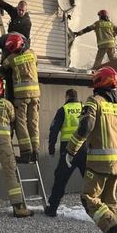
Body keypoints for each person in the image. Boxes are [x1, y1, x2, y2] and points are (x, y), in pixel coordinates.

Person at [66, 66, 117, 233]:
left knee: (89, 198)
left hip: (98, 163)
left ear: (98, 82)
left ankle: (115, 232)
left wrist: (71, 150)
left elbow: (85, 127)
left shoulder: (94, 102)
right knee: (109, 201)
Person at [0, 76, 33, 218]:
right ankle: (18, 207)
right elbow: (13, 119)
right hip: (4, 144)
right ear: (1, 91)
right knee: (10, 173)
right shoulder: (7, 104)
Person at [44, 89, 88, 217]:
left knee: (60, 179)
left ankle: (52, 209)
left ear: (67, 96)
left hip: (68, 151)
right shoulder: (83, 108)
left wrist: (51, 149)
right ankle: (97, 209)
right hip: (84, 149)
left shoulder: (63, 110)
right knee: (89, 180)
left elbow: (54, 130)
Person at [0, 33, 40, 164]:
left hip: (21, 98)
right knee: (33, 123)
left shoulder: (11, 58)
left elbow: (2, 68)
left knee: (21, 124)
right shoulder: (32, 53)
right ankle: (36, 151)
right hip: (35, 96)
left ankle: (26, 152)